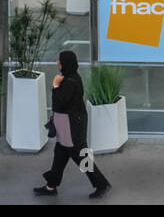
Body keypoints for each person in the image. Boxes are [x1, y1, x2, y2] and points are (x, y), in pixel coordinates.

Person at [33, 50, 110, 198]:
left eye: (59, 61)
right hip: (66, 126)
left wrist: (55, 86)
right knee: (60, 156)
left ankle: (101, 184)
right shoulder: (70, 78)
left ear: (65, 64)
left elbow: (58, 104)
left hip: (71, 128)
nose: (57, 63)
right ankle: (51, 186)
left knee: (81, 156)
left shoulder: (69, 82)